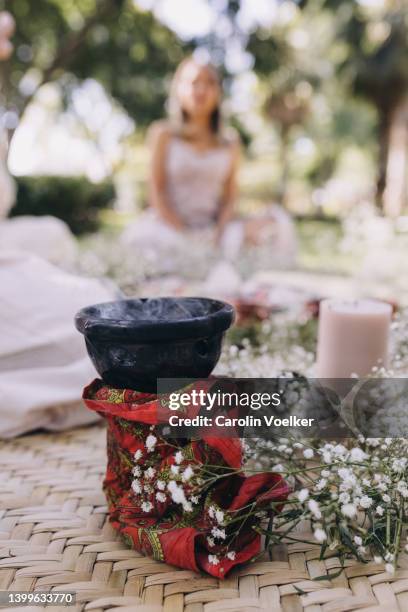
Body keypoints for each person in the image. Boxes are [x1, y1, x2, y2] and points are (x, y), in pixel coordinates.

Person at [121, 55, 297, 268]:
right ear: (179, 89)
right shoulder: (163, 134)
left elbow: (230, 197)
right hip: (169, 228)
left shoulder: (230, 142)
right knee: (139, 240)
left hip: (215, 231)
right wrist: (185, 236)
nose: (201, 90)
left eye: (210, 83)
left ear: (218, 93)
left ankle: (216, 259)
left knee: (277, 223)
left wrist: (218, 234)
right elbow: (156, 193)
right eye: (194, 82)